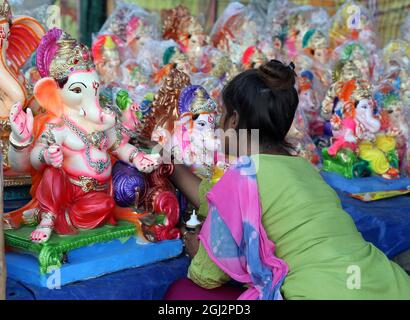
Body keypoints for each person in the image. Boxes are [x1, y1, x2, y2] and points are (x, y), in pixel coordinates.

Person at [164, 60, 410, 300]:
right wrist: (170, 165)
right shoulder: (305, 169)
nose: (217, 123)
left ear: (234, 120)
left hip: (320, 293)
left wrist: (191, 237)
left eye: (222, 114)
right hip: (391, 284)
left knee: (181, 292)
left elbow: (205, 274)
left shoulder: (242, 177)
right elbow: (212, 199)